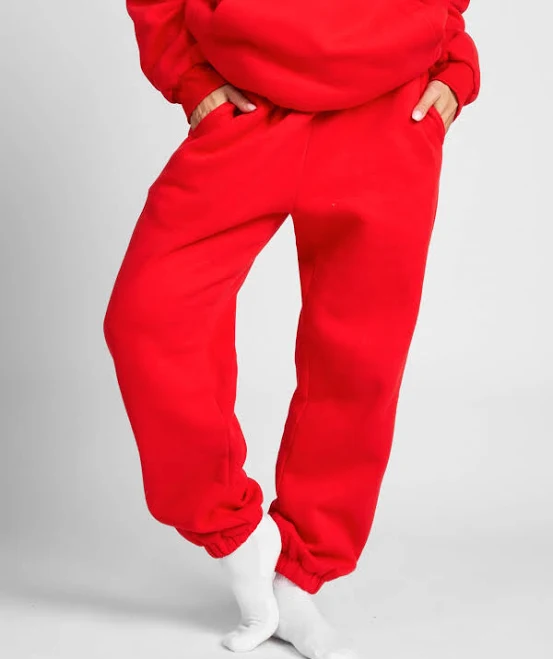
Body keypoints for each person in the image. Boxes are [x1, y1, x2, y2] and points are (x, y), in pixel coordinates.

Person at [103, 1, 480, 657]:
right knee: (148, 316)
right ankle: (242, 539)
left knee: (358, 360)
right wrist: (189, 77)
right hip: (250, 107)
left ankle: (299, 576)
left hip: (388, 110)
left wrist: (453, 64)